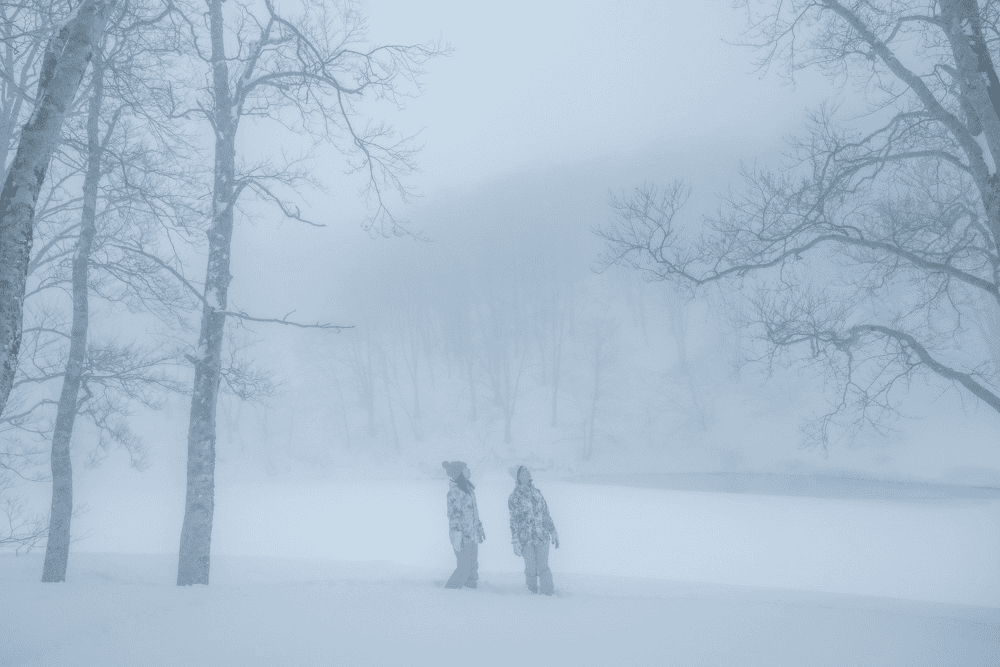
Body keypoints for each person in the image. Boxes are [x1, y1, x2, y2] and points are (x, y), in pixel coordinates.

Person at [508, 465, 559, 595]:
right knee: (531, 569)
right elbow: (514, 521)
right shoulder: (514, 497)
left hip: (542, 536)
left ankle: (548, 593)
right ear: (518, 477)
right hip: (526, 539)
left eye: (527, 471)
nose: (527, 473)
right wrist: (515, 540)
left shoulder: (537, 492)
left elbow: (546, 514)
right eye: (523, 472)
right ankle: (531, 595)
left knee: (543, 567)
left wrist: (553, 531)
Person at [442, 460, 485, 589]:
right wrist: (456, 535)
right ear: (460, 472)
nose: (469, 470)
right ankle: (449, 592)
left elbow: (474, 513)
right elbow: (453, 515)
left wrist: (479, 528)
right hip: (462, 537)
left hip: (472, 534)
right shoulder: (454, 492)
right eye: (466, 469)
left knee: (472, 567)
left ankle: (470, 594)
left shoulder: (469, 490)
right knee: (464, 568)